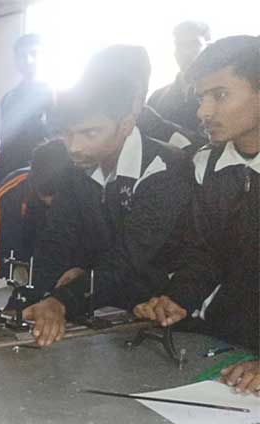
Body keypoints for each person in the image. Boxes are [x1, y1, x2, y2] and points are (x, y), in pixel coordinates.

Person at [19, 70, 193, 348]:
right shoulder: (81, 165)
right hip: (111, 305)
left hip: (169, 314)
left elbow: (128, 257)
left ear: (126, 124)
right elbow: (56, 239)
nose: (74, 146)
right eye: (67, 133)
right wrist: (20, 307)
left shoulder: (163, 169)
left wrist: (61, 301)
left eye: (90, 133)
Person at [134, 36, 260, 393]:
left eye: (220, 95)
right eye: (201, 97)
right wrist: (179, 299)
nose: (203, 112)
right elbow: (205, 253)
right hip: (228, 343)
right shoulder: (208, 164)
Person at [0, 140, 72, 278]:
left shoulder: (84, 187)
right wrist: (13, 277)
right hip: (26, 264)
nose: (49, 201)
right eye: (44, 194)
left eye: (56, 197)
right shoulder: (11, 191)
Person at [0, 34, 54, 180]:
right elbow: (5, 142)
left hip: (44, 174)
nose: (28, 60)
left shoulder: (55, 95)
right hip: (10, 174)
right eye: (22, 56)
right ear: (16, 61)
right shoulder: (8, 98)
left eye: (34, 54)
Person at [147, 21, 211, 136]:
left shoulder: (218, 95)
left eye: (194, 44)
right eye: (180, 45)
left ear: (208, 47)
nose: (186, 52)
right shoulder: (157, 97)